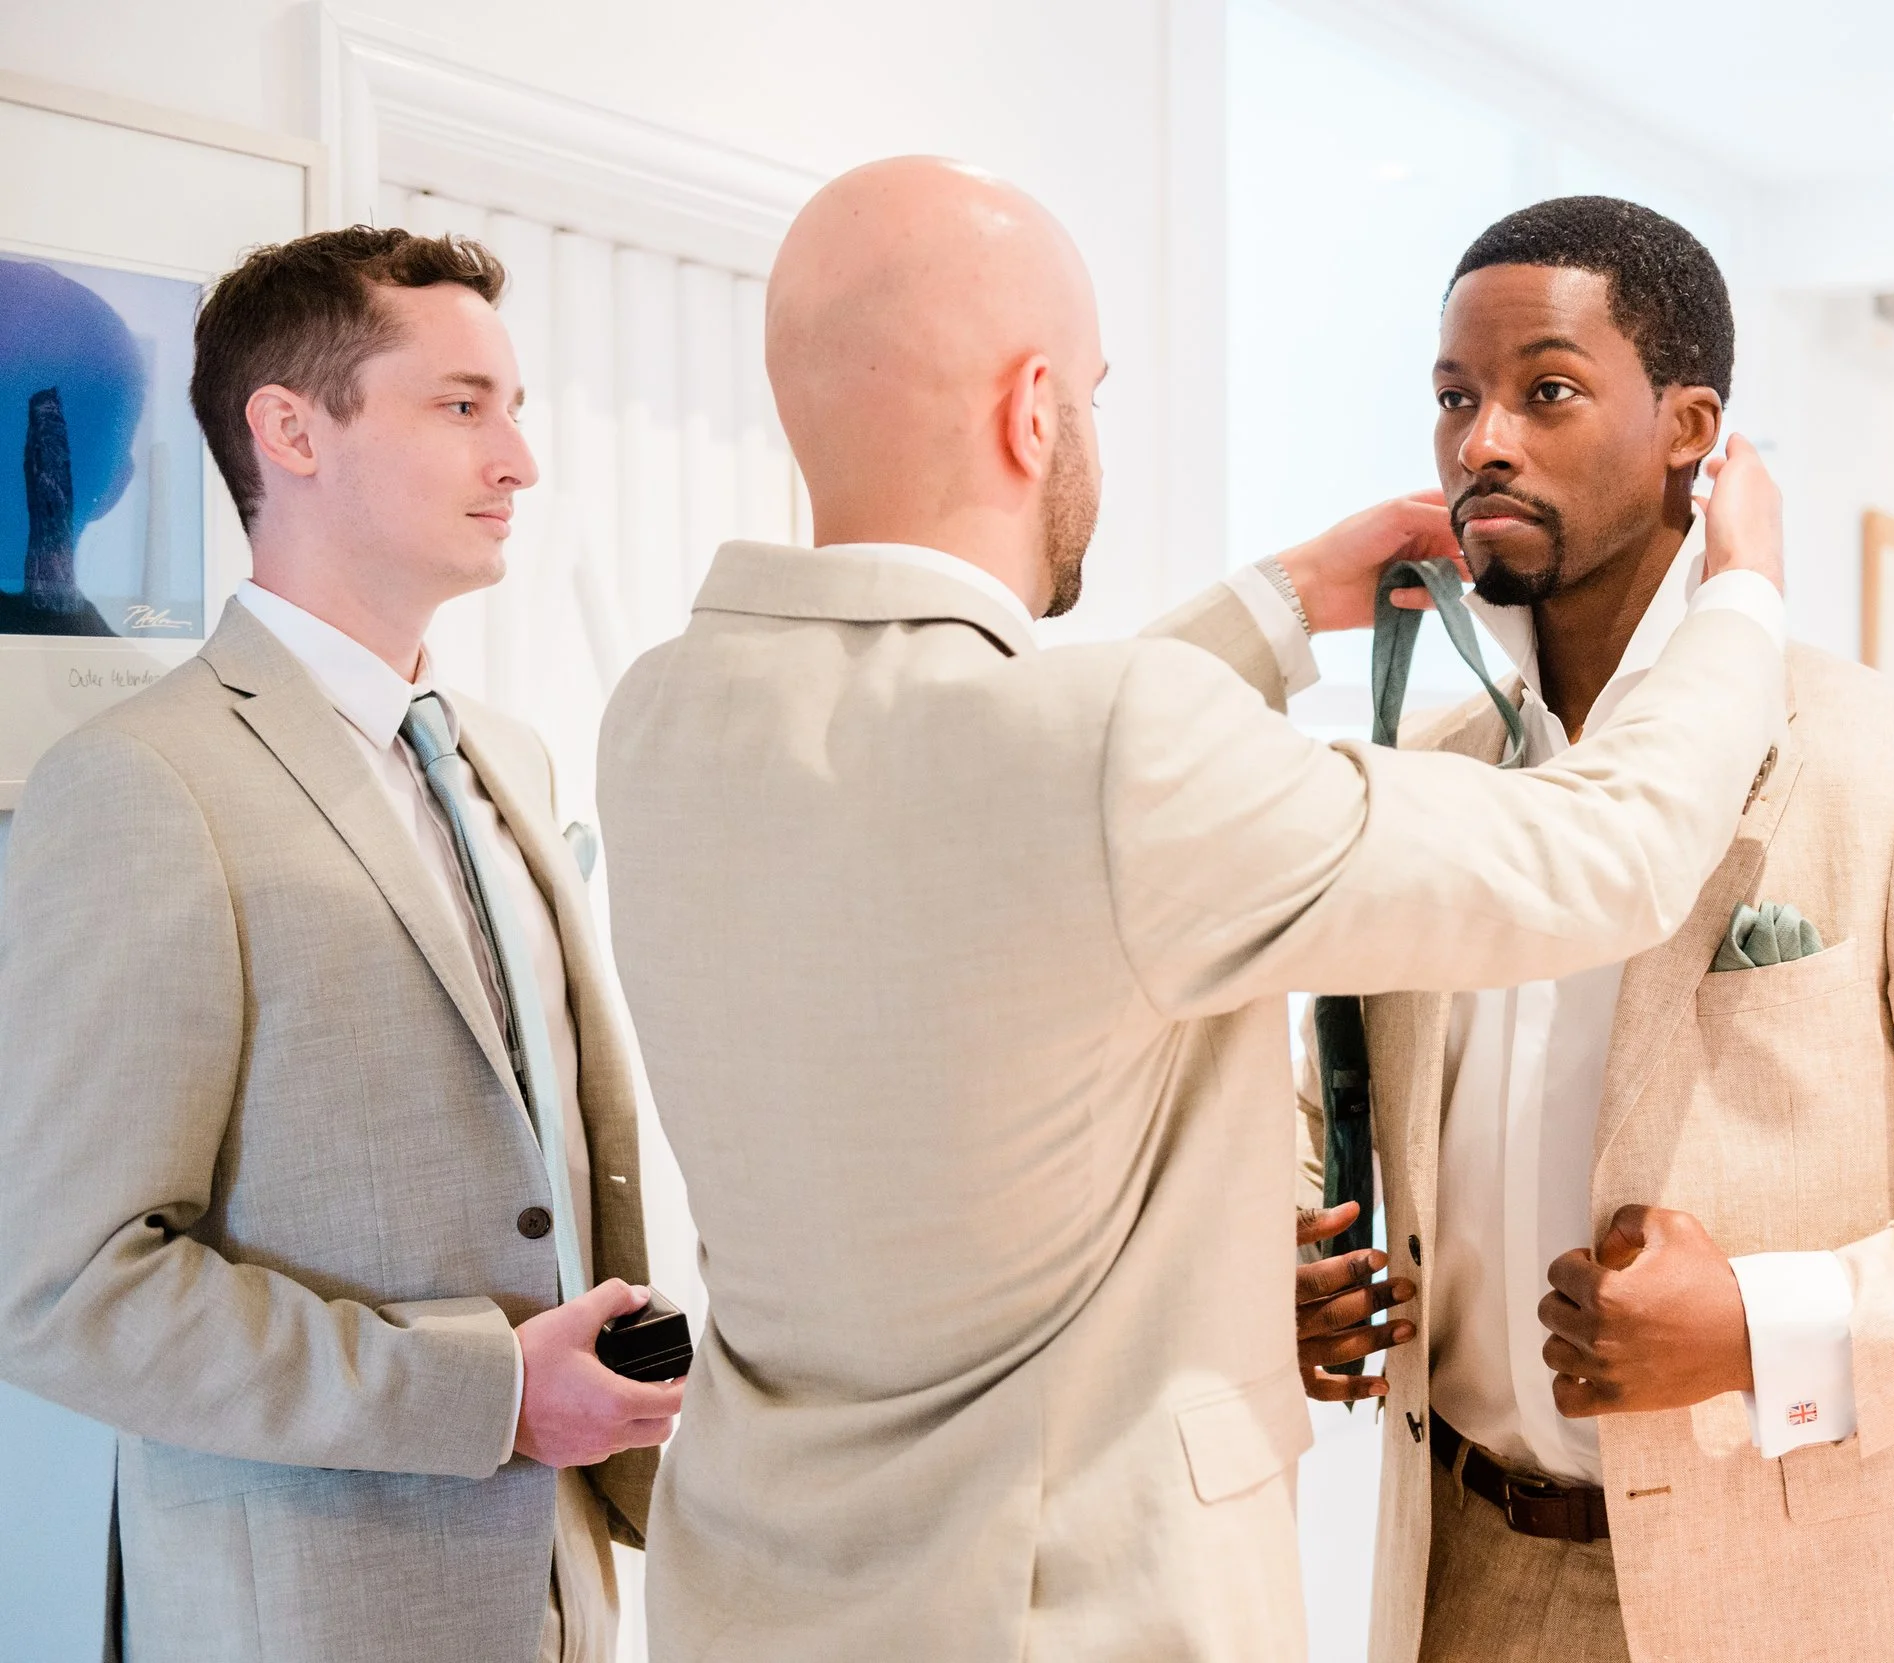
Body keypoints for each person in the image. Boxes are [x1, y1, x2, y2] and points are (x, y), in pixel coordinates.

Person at [596, 157, 1791, 1661]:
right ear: (1036, 411)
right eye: (1090, 394)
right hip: (1062, 1608)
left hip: (752, 1596)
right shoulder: (1106, 752)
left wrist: (1281, 600)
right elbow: (1602, 858)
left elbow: (996, 773)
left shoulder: (666, 718)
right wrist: (1745, 595)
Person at [1291, 196, 1894, 1663]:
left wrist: (1773, 1323)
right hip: (1458, 1577)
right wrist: (1298, 1255)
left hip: (1809, 1594)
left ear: (1689, 426)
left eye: (1548, 389)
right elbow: (1329, 1104)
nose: (1483, 443)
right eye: (1456, 397)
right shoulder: (1424, 770)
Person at [0, 228, 678, 1663]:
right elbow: (66, 1291)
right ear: (291, 429)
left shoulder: (511, 760)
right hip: (303, 1617)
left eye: (516, 407)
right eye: (461, 404)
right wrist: (484, 1393)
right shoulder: (141, 784)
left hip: (562, 1592)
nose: (520, 461)